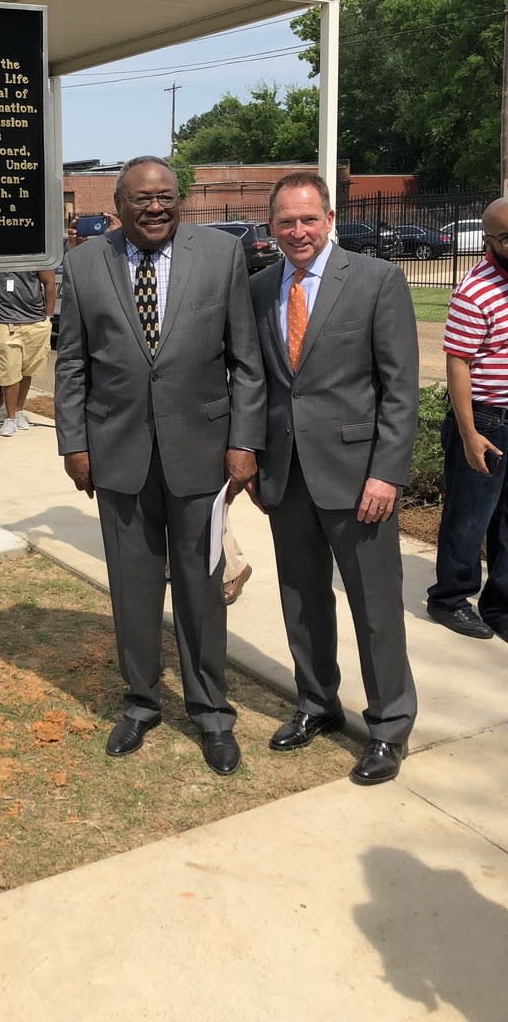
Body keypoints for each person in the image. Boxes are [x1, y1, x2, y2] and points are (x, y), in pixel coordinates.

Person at [55, 156, 265, 775]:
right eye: (142, 199)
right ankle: (142, 701)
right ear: (117, 203)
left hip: (202, 455)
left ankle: (210, 714)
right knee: (133, 589)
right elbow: (73, 363)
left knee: (203, 591)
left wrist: (244, 441)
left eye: (166, 197)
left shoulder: (220, 257)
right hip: (117, 456)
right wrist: (74, 442)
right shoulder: (84, 263)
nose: (155, 208)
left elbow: (246, 362)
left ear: (179, 200)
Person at [249, 173, 419, 786]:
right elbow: (261, 383)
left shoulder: (376, 281)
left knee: (375, 610)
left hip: (359, 479)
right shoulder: (261, 287)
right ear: (271, 227)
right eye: (286, 222)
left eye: (308, 220)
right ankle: (316, 702)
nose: (297, 232)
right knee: (302, 599)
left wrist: (387, 473)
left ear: (329, 219)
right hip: (287, 475)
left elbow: (399, 390)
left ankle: (389, 727)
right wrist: (252, 458)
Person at [426, 197, 508, 644]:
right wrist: (469, 433)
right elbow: (458, 362)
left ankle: (500, 604)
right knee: (470, 516)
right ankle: (450, 598)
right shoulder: (475, 289)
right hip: (486, 420)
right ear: (490, 241)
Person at [0, 269, 55, 438]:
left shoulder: (35, 252)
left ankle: (18, 411)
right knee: (8, 370)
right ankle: (9, 418)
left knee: (26, 370)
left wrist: (48, 317)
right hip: (3, 321)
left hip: (35, 321)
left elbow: (49, 282)